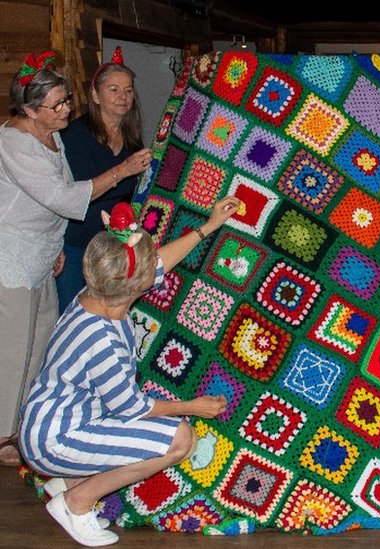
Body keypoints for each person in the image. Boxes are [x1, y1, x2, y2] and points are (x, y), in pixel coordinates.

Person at [19, 195, 241, 547]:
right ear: (136, 285)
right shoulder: (102, 340)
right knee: (179, 439)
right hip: (56, 438)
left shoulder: (98, 292)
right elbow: (133, 409)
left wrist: (207, 227)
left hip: (50, 419)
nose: (155, 268)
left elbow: (156, 263)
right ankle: (77, 502)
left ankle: (67, 482)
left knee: (135, 430)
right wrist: (192, 407)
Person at [0, 52, 150, 469]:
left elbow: (56, 204)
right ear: (29, 109)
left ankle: (28, 424)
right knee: (12, 348)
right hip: (9, 257)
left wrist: (52, 249)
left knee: (41, 343)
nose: (67, 109)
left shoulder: (55, 136)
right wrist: (122, 171)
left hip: (43, 256)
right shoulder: (15, 142)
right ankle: (2, 433)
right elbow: (65, 198)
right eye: (57, 104)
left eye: (67, 100)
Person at [57, 46, 151, 314]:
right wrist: (124, 169)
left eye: (128, 90)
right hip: (77, 246)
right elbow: (79, 194)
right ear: (95, 96)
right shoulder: (75, 135)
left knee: (109, 315)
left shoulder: (132, 139)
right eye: (114, 89)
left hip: (114, 248)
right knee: (73, 315)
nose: (123, 97)